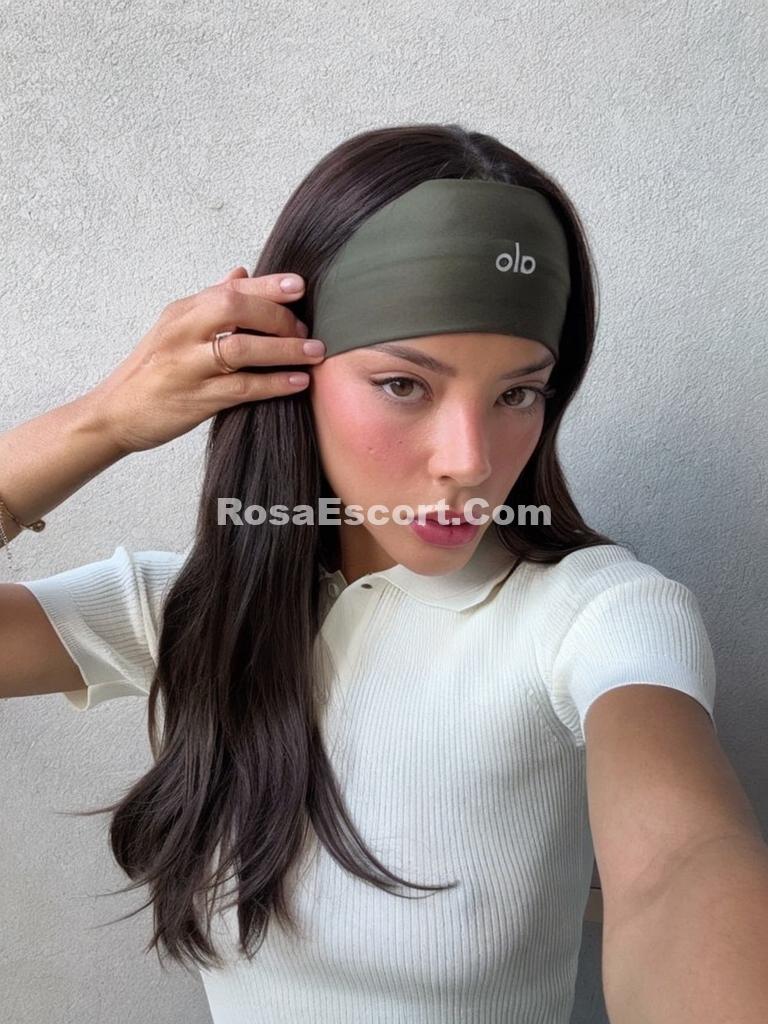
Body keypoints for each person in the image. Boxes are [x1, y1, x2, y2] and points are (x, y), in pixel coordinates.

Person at [2, 123, 767, 1024]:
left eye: (517, 393)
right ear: (290, 374)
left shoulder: (598, 615)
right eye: (405, 384)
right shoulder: (190, 614)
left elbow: (683, 864)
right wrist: (103, 421)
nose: (470, 460)